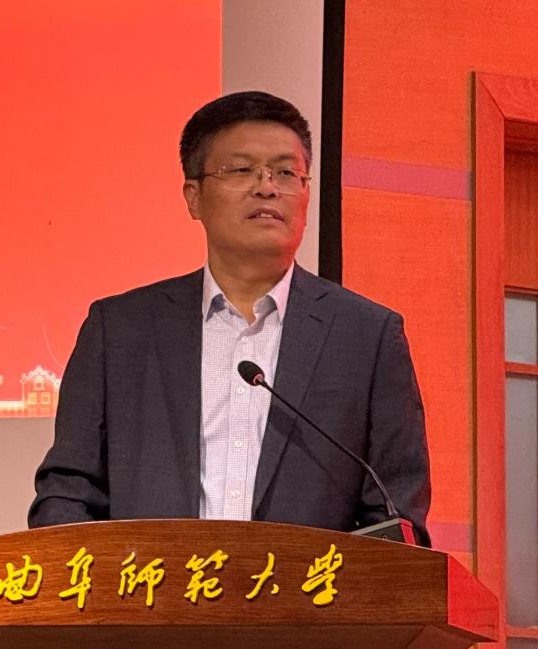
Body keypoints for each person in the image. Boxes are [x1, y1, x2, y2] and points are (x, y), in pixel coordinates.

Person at [28, 91, 430, 545]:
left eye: (286, 172)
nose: (267, 187)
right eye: (241, 170)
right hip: (149, 589)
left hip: (305, 591)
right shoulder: (120, 330)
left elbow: (394, 513)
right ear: (194, 197)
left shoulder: (366, 337)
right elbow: (68, 494)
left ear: (306, 192)